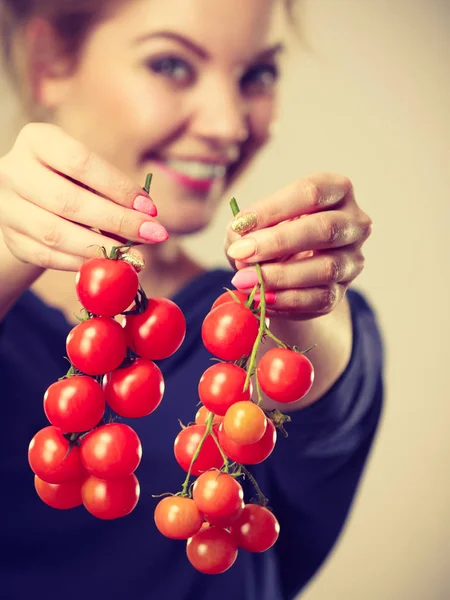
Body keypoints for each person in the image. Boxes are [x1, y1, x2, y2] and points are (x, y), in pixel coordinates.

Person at [0, 1, 383, 599]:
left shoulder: (260, 321)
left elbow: (320, 369)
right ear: (50, 60)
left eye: (257, 75)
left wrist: (305, 290)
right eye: (172, 65)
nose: (229, 124)